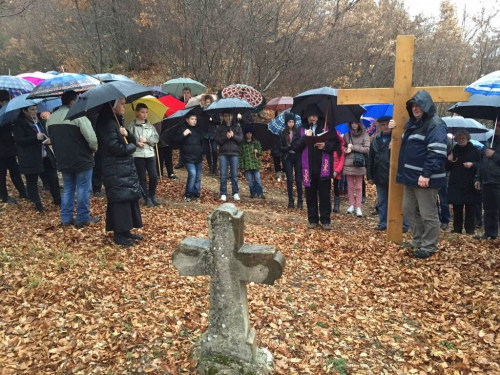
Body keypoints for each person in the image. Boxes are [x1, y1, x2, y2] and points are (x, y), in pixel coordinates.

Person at [392, 90, 448, 259]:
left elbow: (437, 152)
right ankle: (417, 241)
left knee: (427, 214)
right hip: (410, 177)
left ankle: (429, 246)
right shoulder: (413, 124)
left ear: (426, 106)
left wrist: (426, 174)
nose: (415, 108)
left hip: (426, 179)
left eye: (419, 105)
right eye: (413, 106)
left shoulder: (435, 124)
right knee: (408, 210)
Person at [46, 90, 100, 227]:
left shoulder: (51, 119)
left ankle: (66, 218)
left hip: (63, 159)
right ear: (72, 102)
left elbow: (51, 137)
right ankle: (82, 218)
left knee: (68, 189)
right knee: (83, 189)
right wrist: (93, 150)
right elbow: (92, 139)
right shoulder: (78, 116)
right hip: (82, 159)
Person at [96, 98, 143, 246]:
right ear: (113, 106)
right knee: (119, 200)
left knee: (127, 198)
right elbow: (116, 148)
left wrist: (127, 133)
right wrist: (131, 148)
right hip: (114, 168)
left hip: (123, 168)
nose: (124, 106)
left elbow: (132, 140)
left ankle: (125, 229)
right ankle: (119, 234)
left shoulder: (117, 121)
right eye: (122, 104)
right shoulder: (107, 124)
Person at [291, 104, 340, 231]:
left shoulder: (327, 128)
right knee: (310, 195)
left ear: (319, 117)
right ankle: (312, 219)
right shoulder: (300, 129)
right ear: (306, 118)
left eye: (314, 116)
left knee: (324, 195)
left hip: (323, 168)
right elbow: (295, 146)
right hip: (308, 169)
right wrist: (305, 138)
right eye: (309, 116)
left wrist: (325, 146)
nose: (312, 118)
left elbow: (336, 144)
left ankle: (325, 220)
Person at [12, 105, 61, 212]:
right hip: (30, 156)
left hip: (45, 155)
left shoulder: (39, 121)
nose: (34, 112)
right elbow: (19, 140)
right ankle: (37, 204)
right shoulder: (19, 123)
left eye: (35, 109)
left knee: (53, 177)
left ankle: (58, 200)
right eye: (32, 110)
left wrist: (48, 140)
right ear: (24, 110)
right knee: (32, 180)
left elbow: (46, 134)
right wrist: (35, 138)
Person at [367, 116, 409, 231]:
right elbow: (370, 158)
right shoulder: (375, 139)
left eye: (387, 124)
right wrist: (369, 176)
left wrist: (395, 148)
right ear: (379, 126)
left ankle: (404, 224)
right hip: (379, 175)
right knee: (382, 201)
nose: (385, 127)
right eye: (382, 125)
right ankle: (383, 223)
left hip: (395, 175)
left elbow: (405, 155)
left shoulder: (397, 138)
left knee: (399, 201)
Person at [446, 130, 481, 235]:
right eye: (459, 139)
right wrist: (449, 159)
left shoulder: (475, 150)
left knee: (470, 207)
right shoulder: (454, 150)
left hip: (470, 182)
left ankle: (470, 229)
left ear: (467, 138)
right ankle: (457, 228)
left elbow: (480, 165)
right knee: (457, 206)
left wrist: (472, 164)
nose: (461, 141)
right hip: (456, 182)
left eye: (463, 138)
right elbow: (446, 167)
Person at [126, 103, 160, 207]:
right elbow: (128, 138)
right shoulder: (132, 126)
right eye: (142, 112)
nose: (145, 114)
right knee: (142, 177)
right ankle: (147, 198)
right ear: (136, 113)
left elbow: (156, 138)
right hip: (138, 155)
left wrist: (148, 140)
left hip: (149, 154)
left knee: (154, 176)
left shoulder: (150, 126)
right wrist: (136, 142)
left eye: (146, 112)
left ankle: (152, 194)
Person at [0, 90, 28, 203]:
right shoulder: (3, 115)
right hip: (3, 148)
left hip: (9, 147)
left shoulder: (7, 113)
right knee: (2, 173)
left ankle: (22, 191)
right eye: (6, 101)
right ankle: (4, 196)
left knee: (14, 170)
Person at [474, 124, 500, 240]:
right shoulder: (489, 142)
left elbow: (492, 157)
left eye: (499, 126)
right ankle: (490, 233)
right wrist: (478, 178)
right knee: (489, 209)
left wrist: (494, 155)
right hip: (487, 181)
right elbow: (482, 162)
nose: (496, 128)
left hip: (498, 181)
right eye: (496, 126)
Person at [173, 113, 205, 201]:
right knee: (192, 174)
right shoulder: (182, 129)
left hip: (198, 157)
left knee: (198, 176)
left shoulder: (198, 131)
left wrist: (203, 151)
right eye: (192, 119)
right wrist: (184, 134)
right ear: (187, 120)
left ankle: (196, 192)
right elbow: (176, 140)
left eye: (195, 119)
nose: (194, 121)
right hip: (187, 157)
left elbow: (203, 142)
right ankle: (188, 193)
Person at [343, 119, 370, 217]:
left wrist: (353, 147)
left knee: (359, 187)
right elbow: (342, 147)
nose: (354, 125)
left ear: (359, 124)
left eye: (356, 123)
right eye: (352, 123)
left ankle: (358, 206)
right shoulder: (347, 135)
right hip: (348, 163)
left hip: (359, 163)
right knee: (350, 187)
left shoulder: (365, 135)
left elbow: (367, 149)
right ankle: (351, 205)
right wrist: (346, 150)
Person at [215, 112, 243, 202]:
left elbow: (241, 139)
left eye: (229, 116)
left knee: (234, 174)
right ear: (223, 117)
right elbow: (218, 140)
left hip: (234, 153)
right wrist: (226, 137)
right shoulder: (220, 127)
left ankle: (235, 192)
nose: (228, 118)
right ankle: (223, 193)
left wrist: (233, 136)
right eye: (225, 116)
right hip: (223, 153)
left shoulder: (237, 126)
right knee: (223, 174)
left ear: (232, 116)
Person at [280, 112, 303, 208]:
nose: (291, 124)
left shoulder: (298, 132)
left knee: (298, 179)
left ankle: (300, 201)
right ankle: (290, 200)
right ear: (286, 123)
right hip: (288, 157)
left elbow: (301, 144)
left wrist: (295, 146)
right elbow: (281, 148)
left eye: (292, 122)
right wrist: (289, 148)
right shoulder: (282, 134)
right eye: (289, 122)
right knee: (289, 179)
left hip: (297, 156)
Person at [239, 126, 265, 199]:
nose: (249, 135)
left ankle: (260, 193)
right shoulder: (243, 144)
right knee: (250, 180)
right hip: (247, 165)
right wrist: (242, 166)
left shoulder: (256, 143)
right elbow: (241, 156)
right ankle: (252, 192)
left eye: (250, 133)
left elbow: (261, 152)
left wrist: (258, 151)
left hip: (255, 164)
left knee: (257, 179)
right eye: (247, 133)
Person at [199, 94, 220, 175]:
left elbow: (218, 121)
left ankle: (215, 167)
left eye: (209, 102)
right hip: (205, 133)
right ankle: (210, 167)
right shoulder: (203, 111)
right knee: (207, 151)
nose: (208, 103)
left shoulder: (215, 111)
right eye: (206, 102)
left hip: (213, 133)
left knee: (214, 150)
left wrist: (212, 119)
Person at [332, 129, 345, 213]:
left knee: (336, 187)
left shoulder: (341, 148)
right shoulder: (329, 146)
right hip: (327, 170)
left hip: (336, 171)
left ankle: (336, 205)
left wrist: (336, 171)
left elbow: (341, 161)